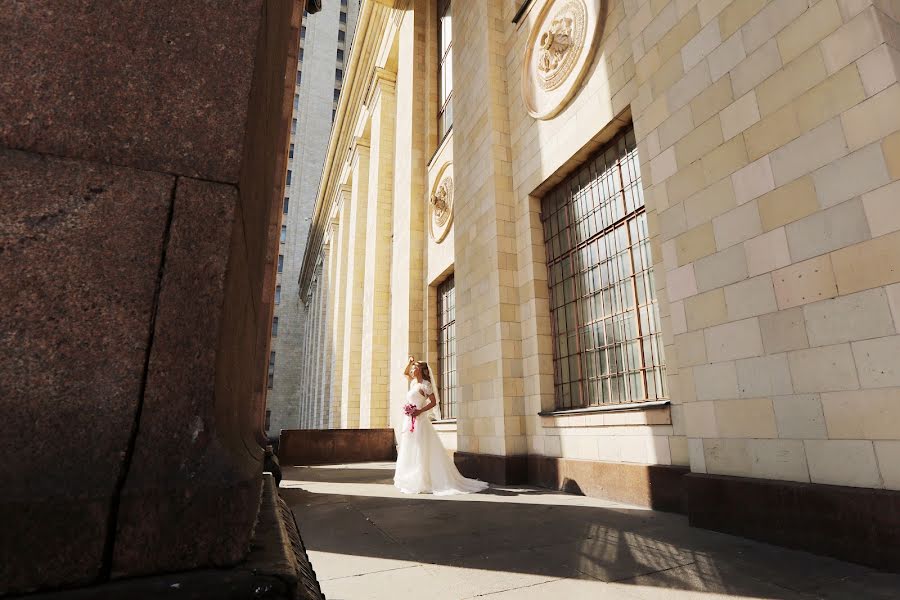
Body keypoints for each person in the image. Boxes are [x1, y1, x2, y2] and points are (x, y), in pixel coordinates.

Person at [393, 356, 489, 495]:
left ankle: (424, 480)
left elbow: (433, 402)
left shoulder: (425, 385)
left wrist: (420, 410)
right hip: (409, 421)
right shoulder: (414, 382)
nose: (413, 370)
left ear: (422, 370)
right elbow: (405, 373)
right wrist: (409, 363)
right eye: (413, 368)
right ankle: (412, 479)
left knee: (422, 448)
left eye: (415, 367)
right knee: (411, 448)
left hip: (420, 421)